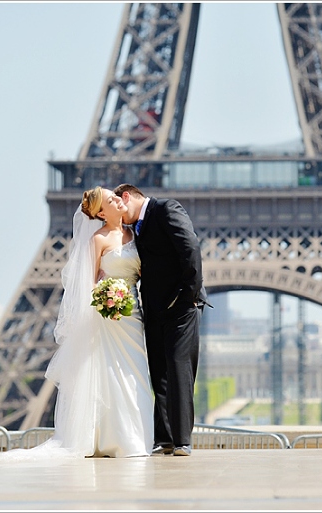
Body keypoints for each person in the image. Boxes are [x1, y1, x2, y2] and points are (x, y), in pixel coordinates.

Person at [0, 187, 153, 463]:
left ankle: (136, 438)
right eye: (109, 199)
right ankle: (114, 439)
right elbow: (87, 283)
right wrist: (107, 300)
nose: (117, 198)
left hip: (132, 317)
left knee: (135, 376)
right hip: (110, 320)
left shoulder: (135, 233)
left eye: (116, 196)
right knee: (111, 378)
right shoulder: (98, 239)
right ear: (101, 213)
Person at [113, 183, 209, 457]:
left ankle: (182, 441)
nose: (118, 215)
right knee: (160, 374)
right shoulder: (134, 229)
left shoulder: (166, 208)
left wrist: (189, 295)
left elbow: (190, 248)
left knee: (179, 370)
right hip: (154, 308)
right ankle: (165, 438)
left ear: (127, 197)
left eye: (119, 206)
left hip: (181, 305)